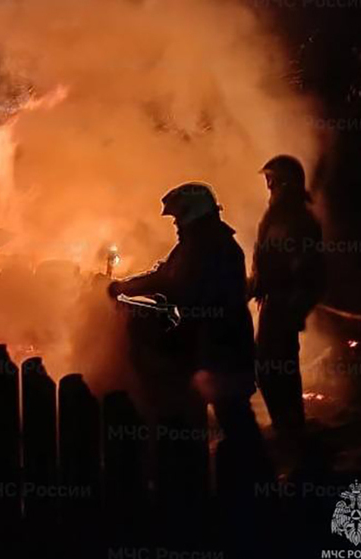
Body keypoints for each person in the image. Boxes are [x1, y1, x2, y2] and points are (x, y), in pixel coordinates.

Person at [109, 182, 272, 555]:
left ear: (192, 214)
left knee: (235, 421)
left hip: (222, 350)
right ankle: (246, 495)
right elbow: (169, 275)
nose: (175, 226)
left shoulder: (209, 248)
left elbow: (184, 290)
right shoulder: (202, 243)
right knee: (226, 420)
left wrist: (128, 291)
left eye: (178, 218)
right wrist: (127, 286)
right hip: (215, 350)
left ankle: (255, 503)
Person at [250, 155, 325, 435]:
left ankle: (293, 436)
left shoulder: (296, 221)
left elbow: (308, 271)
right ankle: (289, 431)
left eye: (273, 181)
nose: (269, 188)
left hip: (281, 308)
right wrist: (247, 289)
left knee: (277, 372)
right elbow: (267, 266)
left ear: (286, 184)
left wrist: (293, 311)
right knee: (269, 370)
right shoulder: (278, 217)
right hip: (273, 305)